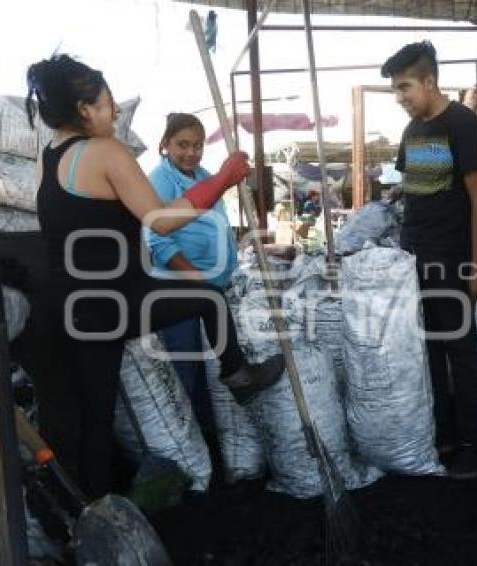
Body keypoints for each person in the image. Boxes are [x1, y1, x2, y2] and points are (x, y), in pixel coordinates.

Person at [26, 54, 284, 499]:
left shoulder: (47, 157)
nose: (117, 111)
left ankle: (97, 511)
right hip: (114, 297)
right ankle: (239, 376)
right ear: (85, 110)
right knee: (209, 298)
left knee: (95, 416)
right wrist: (223, 179)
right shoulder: (105, 152)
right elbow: (162, 220)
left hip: (69, 304)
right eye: (109, 104)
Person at [381, 41, 477, 480]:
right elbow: (413, 194)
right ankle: (442, 432)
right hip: (416, 259)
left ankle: (474, 446)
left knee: (461, 352)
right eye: (396, 90)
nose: (401, 98)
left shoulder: (462, 125)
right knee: (428, 350)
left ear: (429, 81)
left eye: (405, 87)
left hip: (454, 258)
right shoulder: (412, 133)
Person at [144, 113, 239, 430]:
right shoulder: (160, 178)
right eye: (182, 145)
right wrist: (197, 281)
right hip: (180, 288)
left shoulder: (205, 175)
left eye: (197, 146)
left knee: (211, 367)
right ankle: (200, 440)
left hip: (209, 288)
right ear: (165, 144)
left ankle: (214, 431)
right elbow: (158, 240)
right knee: (188, 368)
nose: (190, 153)